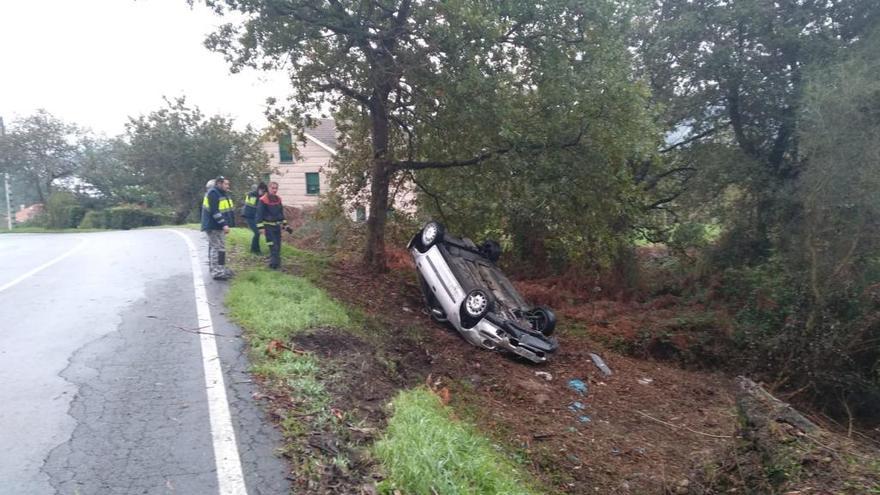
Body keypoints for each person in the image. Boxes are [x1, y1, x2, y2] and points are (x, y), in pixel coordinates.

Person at [201, 176, 236, 280]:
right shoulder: (213, 193)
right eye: (226, 184)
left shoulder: (221, 193)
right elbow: (215, 212)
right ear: (219, 184)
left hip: (218, 226)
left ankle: (220, 269)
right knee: (216, 248)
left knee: (220, 248)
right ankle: (217, 272)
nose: (228, 186)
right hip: (213, 226)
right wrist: (224, 224)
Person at [255, 181, 291, 270]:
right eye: (273, 188)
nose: (274, 190)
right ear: (268, 188)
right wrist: (261, 227)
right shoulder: (263, 200)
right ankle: (274, 266)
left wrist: (285, 225)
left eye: (276, 188)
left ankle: (275, 264)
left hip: (276, 227)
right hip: (268, 228)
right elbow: (259, 215)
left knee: (278, 247)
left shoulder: (278, 199)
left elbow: (281, 214)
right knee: (273, 246)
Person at [242, 182, 267, 254]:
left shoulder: (260, 196)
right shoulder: (252, 195)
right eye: (262, 191)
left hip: (255, 217)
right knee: (257, 232)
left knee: (258, 233)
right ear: (259, 189)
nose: (262, 193)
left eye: (264, 191)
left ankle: (255, 249)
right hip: (249, 216)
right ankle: (254, 250)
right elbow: (252, 208)